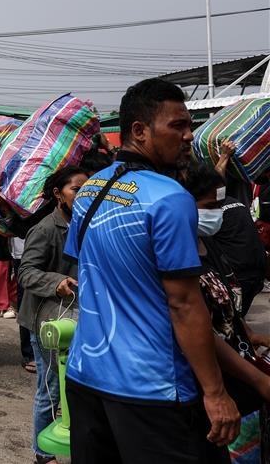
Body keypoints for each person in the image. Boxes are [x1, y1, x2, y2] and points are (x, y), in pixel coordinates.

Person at [63, 78, 240, 463]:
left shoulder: (90, 190)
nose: (189, 135)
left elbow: (91, 272)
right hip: (153, 388)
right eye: (177, 125)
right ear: (139, 131)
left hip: (85, 377)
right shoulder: (169, 197)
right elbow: (184, 304)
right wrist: (215, 392)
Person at [179, 162, 270, 458]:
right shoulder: (178, 258)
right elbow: (200, 331)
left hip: (242, 378)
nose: (218, 212)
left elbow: (226, 303)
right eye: (210, 205)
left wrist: (249, 334)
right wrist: (258, 380)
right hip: (217, 385)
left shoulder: (210, 244)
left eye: (220, 204)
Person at [17, 166, 89, 464]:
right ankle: (43, 453)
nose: (84, 195)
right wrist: (55, 283)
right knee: (49, 390)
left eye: (89, 188)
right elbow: (25, 272)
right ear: (59, 194)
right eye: (77, 189)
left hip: (82, 318)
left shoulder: (91, 223)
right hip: (48, 319)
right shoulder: (46, 229)